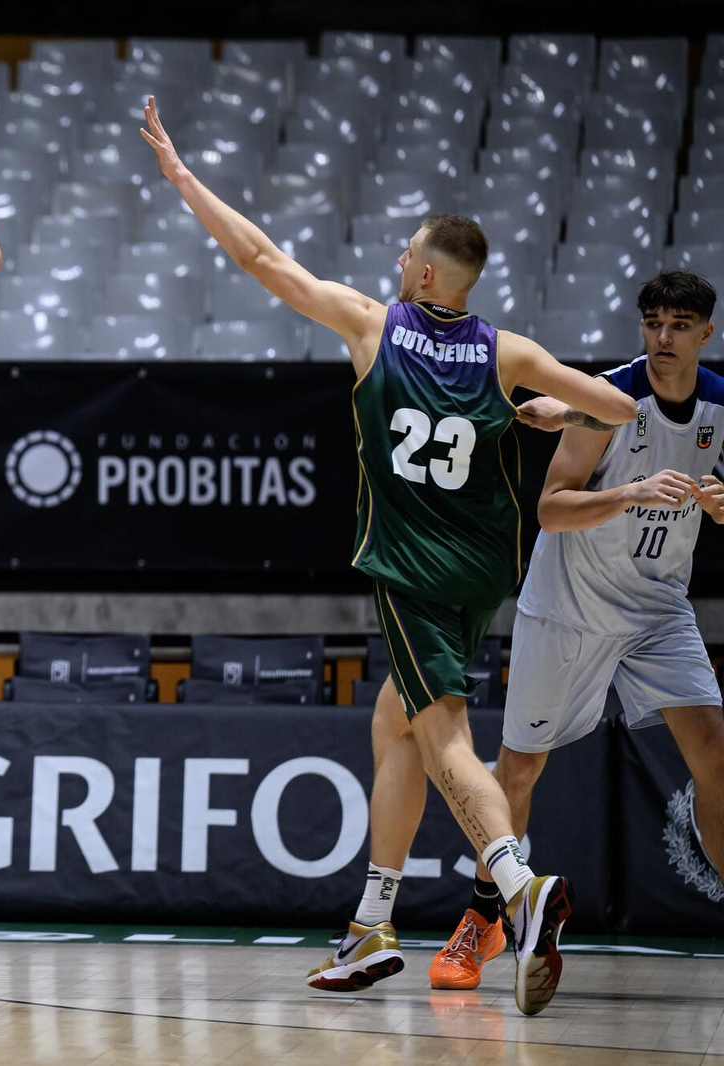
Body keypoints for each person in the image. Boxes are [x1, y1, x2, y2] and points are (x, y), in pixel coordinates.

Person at [138, 97, 637, 1016]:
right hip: (485, 568)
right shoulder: (508, 352)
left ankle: (517, 888)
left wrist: (181, 176)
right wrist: (546, 413)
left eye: (409, 252)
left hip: (409, 566)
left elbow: (259, 258)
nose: (398, 260)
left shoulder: (372, 325)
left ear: (431, 275)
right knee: (394, 725)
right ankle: (372, 924)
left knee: (441, 727)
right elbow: (621, 411)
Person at [431, 271, 724, 990]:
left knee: (715, 753)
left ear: (705, 334)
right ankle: (482, 919)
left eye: (678, 325)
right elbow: (552, 509)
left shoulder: (720, 405)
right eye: (652, 322)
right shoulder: (607, 403)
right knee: (521, 769)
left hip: (657, 608)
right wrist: (628, 492)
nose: (663, 337)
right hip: (570, 606)